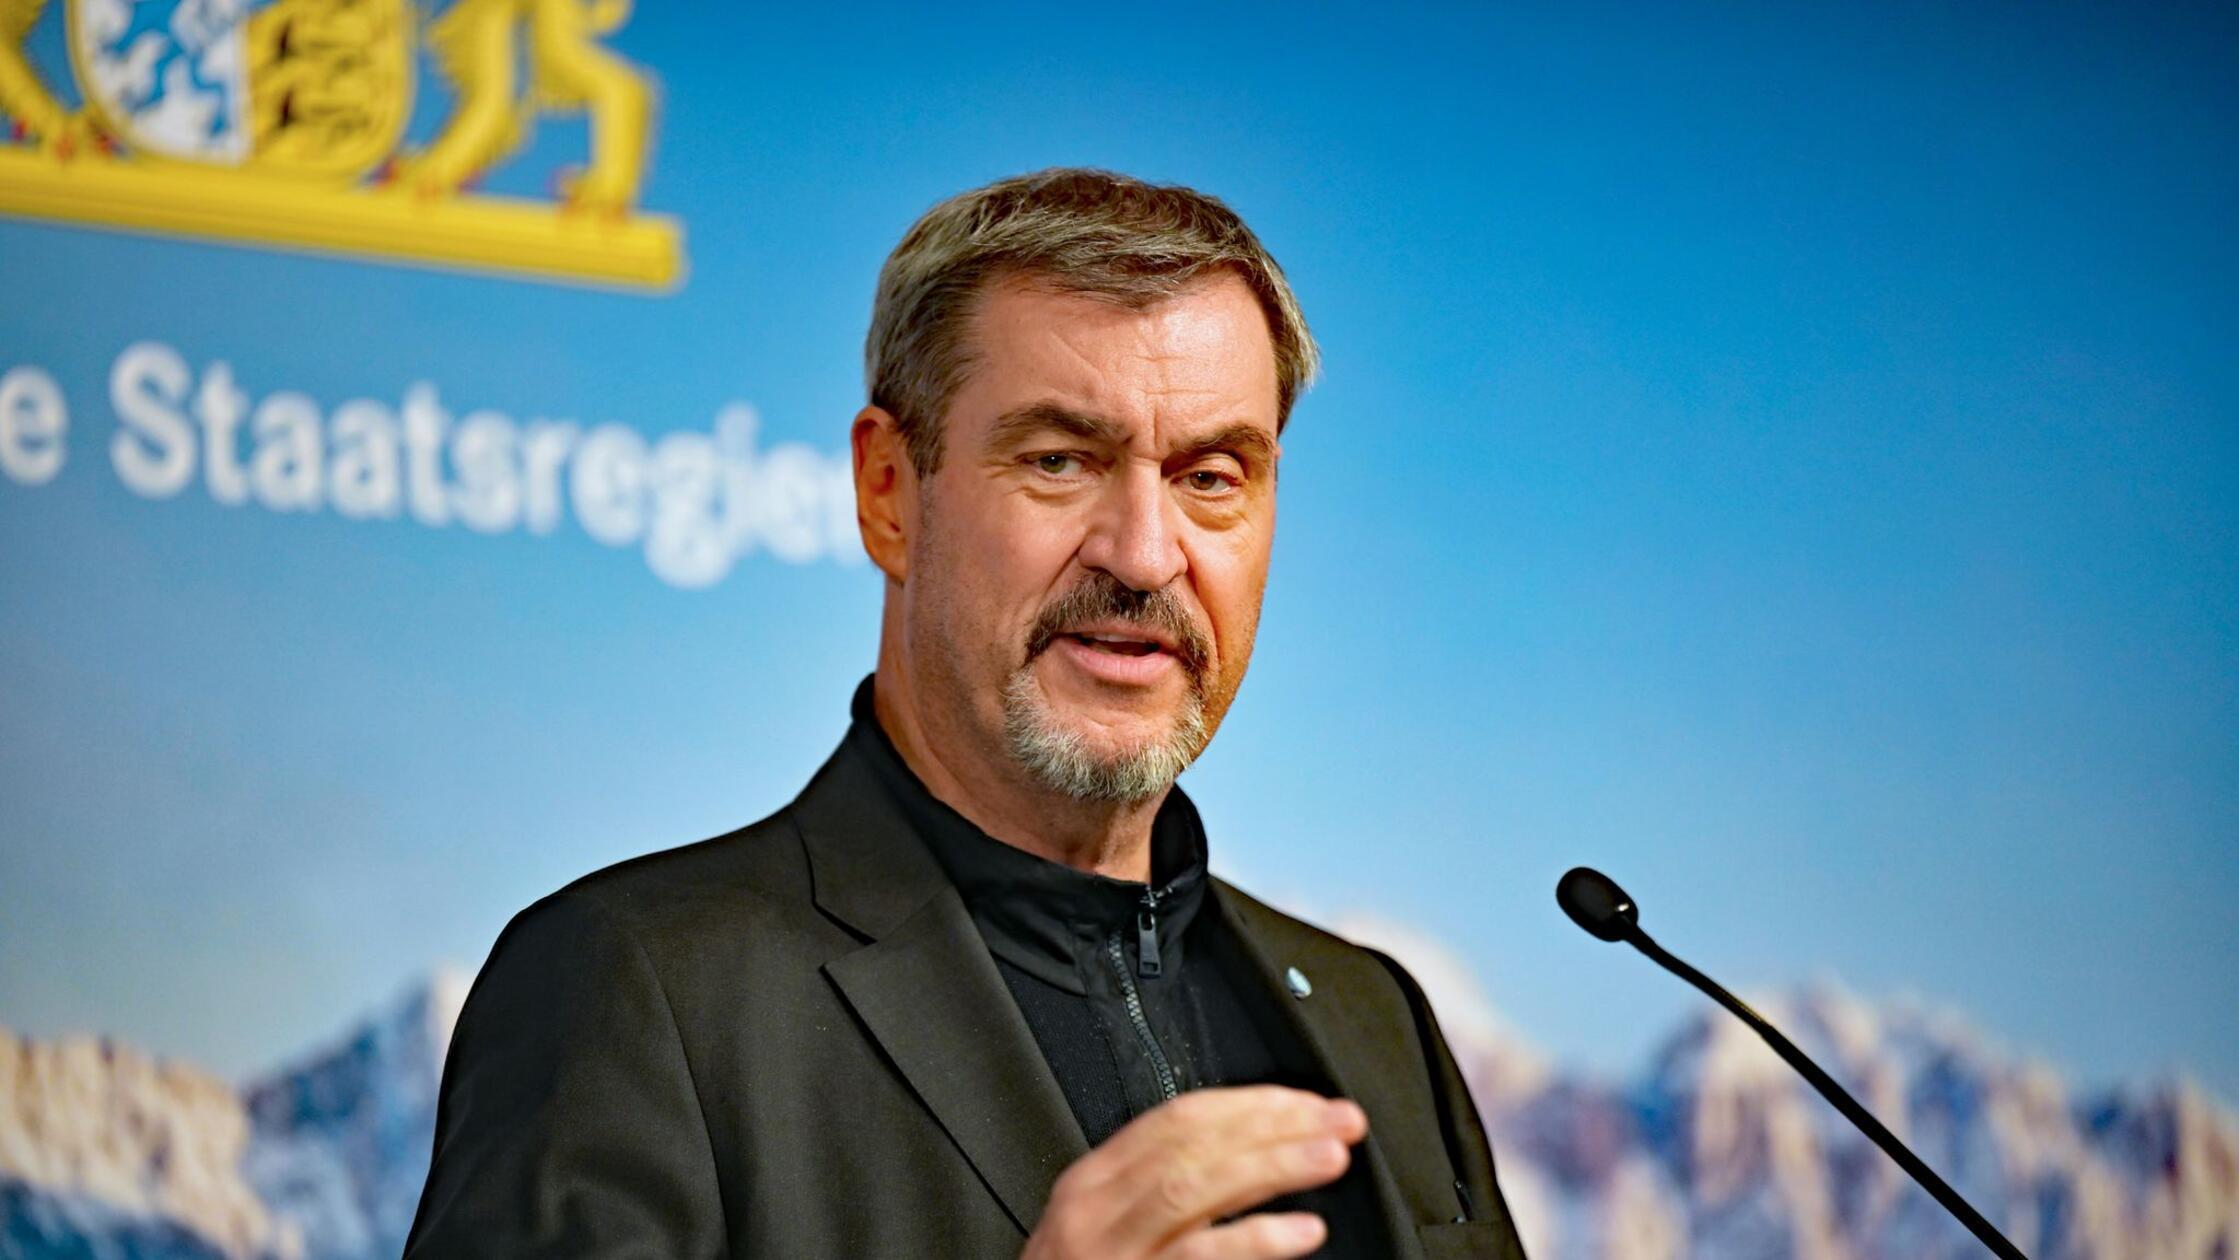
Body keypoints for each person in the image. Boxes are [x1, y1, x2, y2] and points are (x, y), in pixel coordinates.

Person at [405, 168, 1528, 1259]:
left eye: (1211, 477)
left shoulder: (1372, 1015)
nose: (1144, 555)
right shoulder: (633, 988)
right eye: (1059, 460)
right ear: (888, 494)